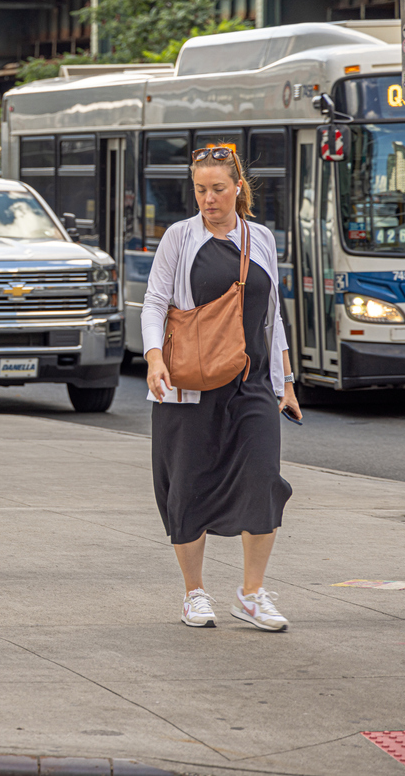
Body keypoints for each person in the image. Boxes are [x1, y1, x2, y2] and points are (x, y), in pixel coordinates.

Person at [141, 147, 301, 631]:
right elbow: (154, 302)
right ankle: (194, 593)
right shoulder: (179, 237)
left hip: (250, 384)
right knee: (185, 487)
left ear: (238, 188)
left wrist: (286, 380)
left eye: (217, 189)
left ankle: (251, 593)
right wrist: (153, 359)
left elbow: (271, 313)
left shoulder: (262, 238)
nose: (208, 199)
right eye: (200, 190)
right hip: (188, 384)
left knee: (263, 480)